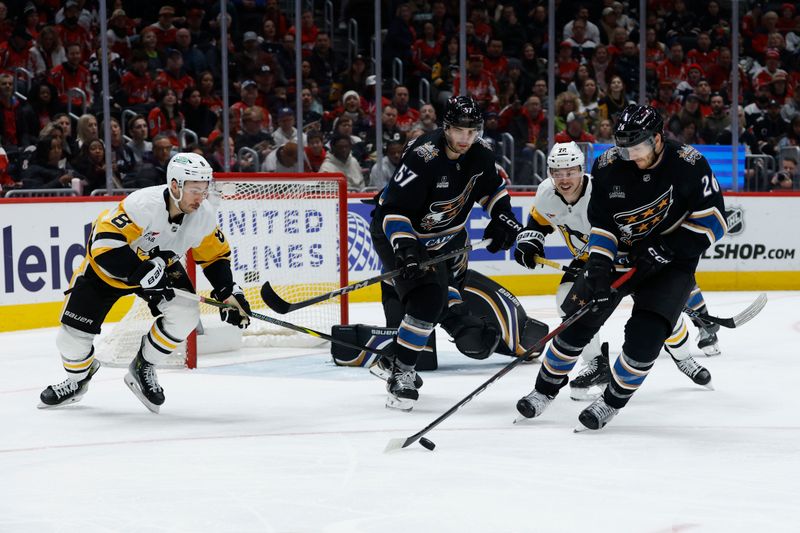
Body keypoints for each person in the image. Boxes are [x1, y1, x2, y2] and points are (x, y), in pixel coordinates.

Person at [514, 104, 726, 431]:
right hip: (620, 258)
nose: (632, 155)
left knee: (646, 337)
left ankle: (611, 402)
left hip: (671, 262)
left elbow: (714, 220)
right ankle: (543, 391)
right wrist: (599, 264)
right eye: (625, 148)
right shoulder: (609, 165)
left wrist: (667, 248)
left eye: (638, 147)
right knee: (577, 319)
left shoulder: (688, 163)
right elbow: (602, 225)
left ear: (657, 139)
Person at [39, 152, 252, 413]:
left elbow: (215, 256)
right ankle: (77, 380)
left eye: (205, 189)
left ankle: (143, 366)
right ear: (175, 185)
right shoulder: (143, 204)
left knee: (185, 314)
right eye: (195, 189)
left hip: (161, 267)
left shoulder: (204, 215)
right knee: (70, 341)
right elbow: (103, 245)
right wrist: (139, 272)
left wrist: (227, 291)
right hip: (108, 271)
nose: (201, 197)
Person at [369, 95, 523, 410]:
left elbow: (492, 190)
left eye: (473, 131)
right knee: (426, 302)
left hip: (446, 239)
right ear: (446, 127)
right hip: (399, 234)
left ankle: (393, 358)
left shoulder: (481, 153)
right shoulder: (423, 156)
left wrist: (502, 217)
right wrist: (407, 248)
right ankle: (401, 372)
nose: (466, 138)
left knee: (444, 299)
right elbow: (393, 210)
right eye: (460, 131)